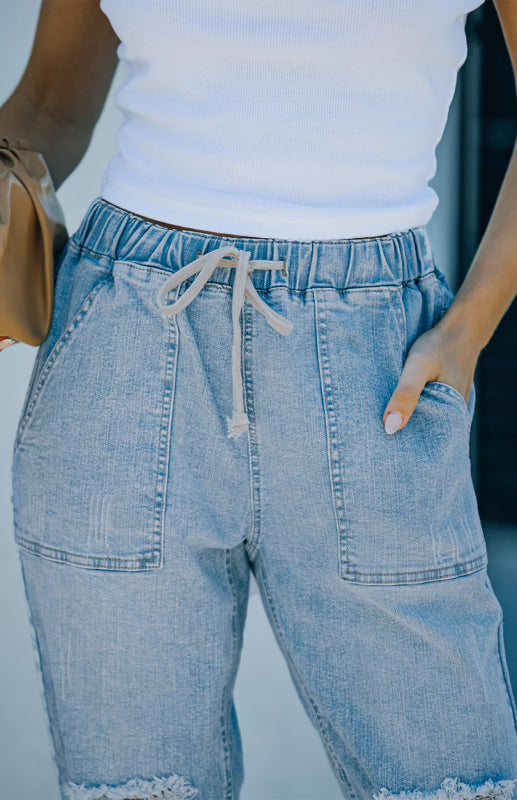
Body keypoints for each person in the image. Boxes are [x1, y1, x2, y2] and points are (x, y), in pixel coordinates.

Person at [2, 0, 517, 798]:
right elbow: (48, 104)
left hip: (373, 362)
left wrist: (467, 331)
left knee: (445, 778)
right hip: (124, 353)